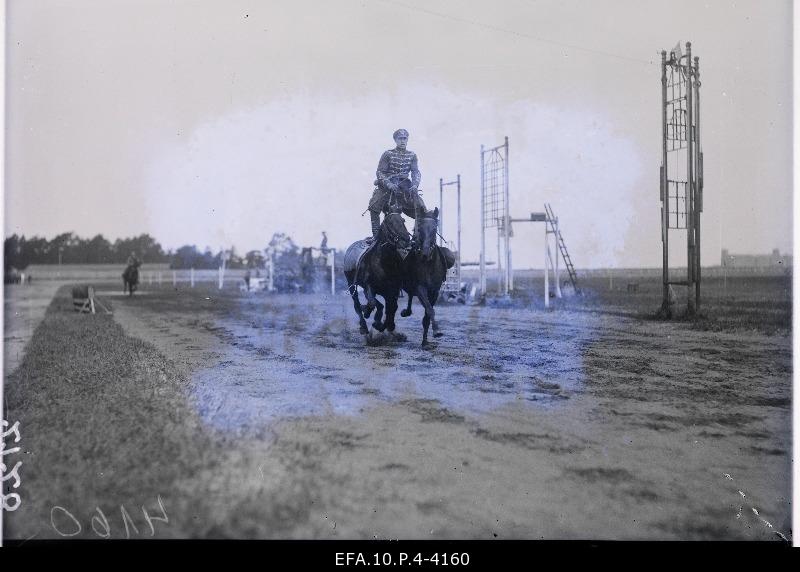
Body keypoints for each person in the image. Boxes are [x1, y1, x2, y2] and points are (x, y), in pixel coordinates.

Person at [367, 129, 427, 239]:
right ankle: (376, 237)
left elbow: (415, 172)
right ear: (395, 140)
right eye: (400, 138)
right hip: (388, 186)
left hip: (405, 186)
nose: (402, 141)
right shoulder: (388, 154)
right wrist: (389, 184)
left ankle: (417, 237)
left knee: (422, 208)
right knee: (373, 206)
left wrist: (415, 185)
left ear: (407, 139)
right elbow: (380, 172)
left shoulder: (412, 155)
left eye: (405, 138)